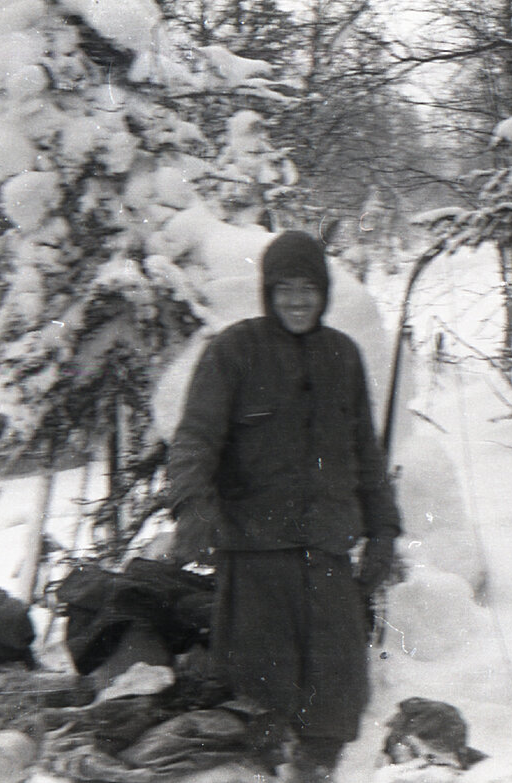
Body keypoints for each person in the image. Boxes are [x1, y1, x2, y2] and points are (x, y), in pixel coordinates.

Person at [167, 230, 402, 781]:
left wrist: (384, 529)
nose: (297, 300)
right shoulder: (233, 351)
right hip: (255, 556)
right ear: (268, 292)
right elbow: (194, 439)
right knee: (258, 696)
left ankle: (315, 771)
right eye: (285, 288)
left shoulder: (342, 355)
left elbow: (366, 455)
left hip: (325, 553)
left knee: (337, 692)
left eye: (309, 289)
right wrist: (193, 506)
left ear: (323, 292)